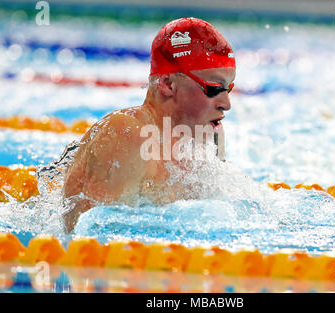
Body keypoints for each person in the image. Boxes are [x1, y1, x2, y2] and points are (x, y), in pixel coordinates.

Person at [62, 17, 236, 233]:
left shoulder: (209, 134)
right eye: (213, 89)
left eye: (228, 89)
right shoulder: (127, 134)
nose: (226, 104)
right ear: (168, 84)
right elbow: (89, 238)